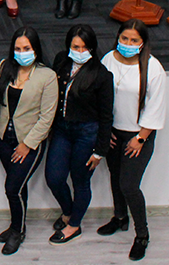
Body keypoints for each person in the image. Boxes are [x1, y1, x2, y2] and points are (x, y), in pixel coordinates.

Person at [99, 19, 166, 261]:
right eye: (124, 39)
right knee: (115, 178)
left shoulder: (152, 67)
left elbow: (155, 107)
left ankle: (142, 235)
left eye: (134, 40)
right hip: (113, 132)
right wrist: (105, 130)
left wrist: (140, 138)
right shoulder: (108, 59)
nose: (127, 44)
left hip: (139, 135)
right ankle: (119, 218)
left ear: (143, 43)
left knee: (129, 185)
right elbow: (102, 97)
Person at [45, 24, 113, 245]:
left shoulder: (101, 75)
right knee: (54, 178)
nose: (80, 51)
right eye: (76, 46)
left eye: (85, 47)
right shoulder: (60, 61)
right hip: (62, 130)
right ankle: (68, 212)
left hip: (87, 133)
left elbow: (106, 116)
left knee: (80, 181)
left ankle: (74, 225)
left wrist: (100, 150)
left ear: (92, 48)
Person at [0, 27, 57, 255]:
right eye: (18, 49)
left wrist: (27, 144)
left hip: (28, 144)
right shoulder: (5, 67)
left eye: (26, 48)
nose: (21, 53)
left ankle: (17, 232)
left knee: (12, 188)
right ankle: (16, 225)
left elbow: (47, 117)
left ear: (36, 50)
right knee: (18, 188)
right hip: (4, 139)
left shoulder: (47, 76)